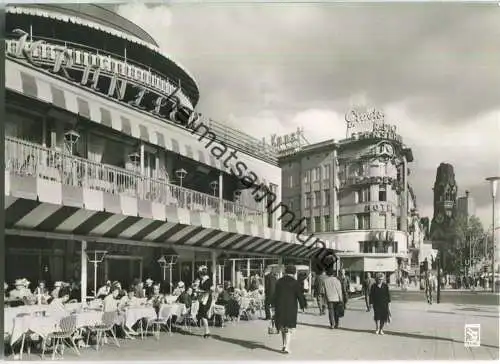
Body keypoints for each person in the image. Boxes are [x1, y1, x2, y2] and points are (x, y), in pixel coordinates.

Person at [272, 264, 306, 354]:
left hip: (280, 307)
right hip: (291, 308)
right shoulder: (295, 283)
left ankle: (284, 345)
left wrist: (273, 305)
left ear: (286, 271)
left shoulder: (279, 282)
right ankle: (287, 347)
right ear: (294, 272)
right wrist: (303, 306)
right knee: (289, 328)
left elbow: (275, 295)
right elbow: (300, 295)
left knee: (283, 327)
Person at [196, 266, 213, 338]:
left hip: (207, 299)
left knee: (203, 314)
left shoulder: (209, 280)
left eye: (200, 274)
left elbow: (211, 290)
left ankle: (207, 331)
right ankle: (207, 331)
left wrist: (201, 291)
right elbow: (199, 288)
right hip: (202, 299)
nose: (200, 275)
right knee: (202, 315)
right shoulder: (201, 280)